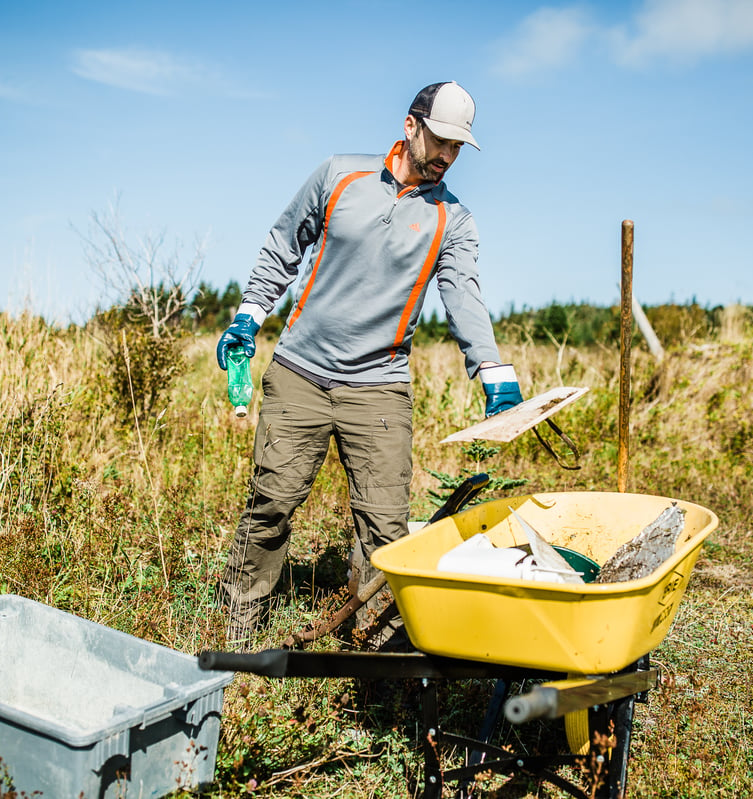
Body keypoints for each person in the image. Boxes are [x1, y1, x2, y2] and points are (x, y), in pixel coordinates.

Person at [215, 81, 523, 646]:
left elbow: (464, 295)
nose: (449, 157)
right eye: (442, 141)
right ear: (411, 126)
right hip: (299, 371)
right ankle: (235, 630)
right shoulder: (339, 175)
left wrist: (494, 371)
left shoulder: (452, 221)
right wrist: (248, 316)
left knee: (385, 528)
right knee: (271, 505)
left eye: (459, 148)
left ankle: (373, 649)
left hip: (379, 388)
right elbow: (284, 245)